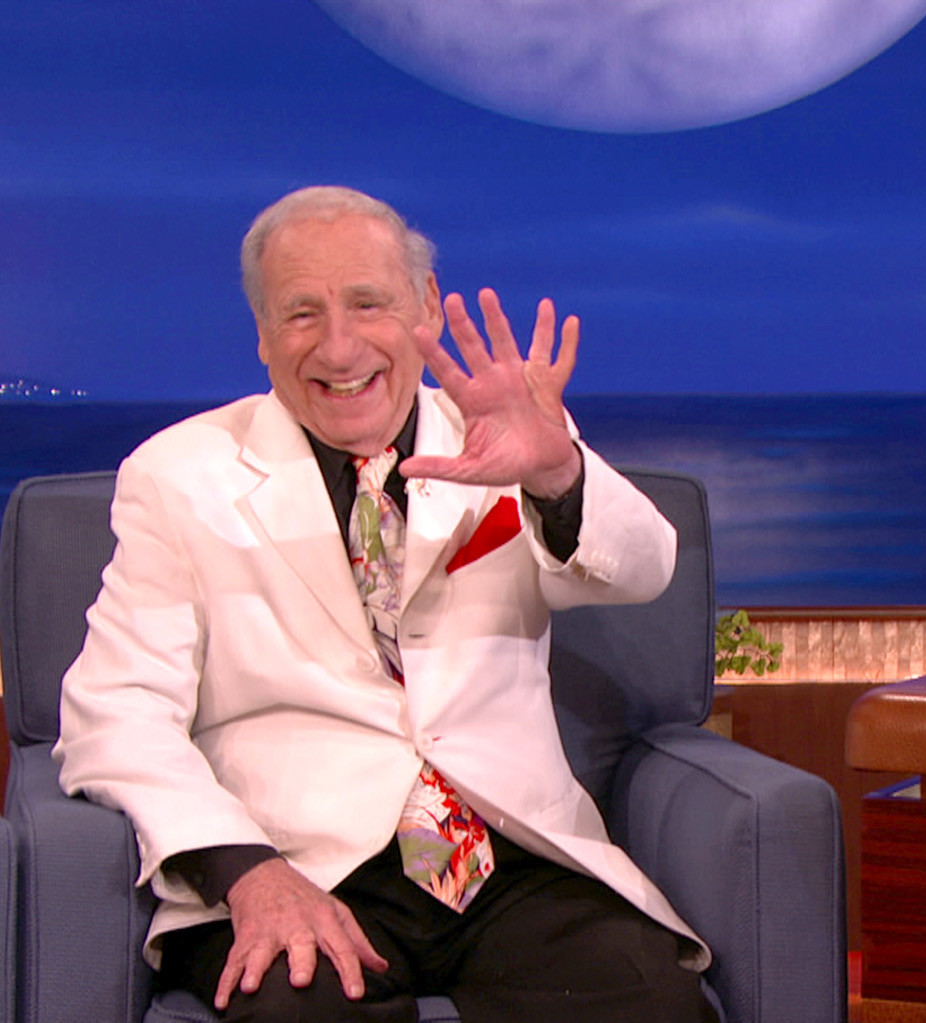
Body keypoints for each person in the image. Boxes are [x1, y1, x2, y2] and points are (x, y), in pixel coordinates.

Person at [54, 186, 718, 1021]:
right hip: (302, 864)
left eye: (368, 304)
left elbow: (645, 568)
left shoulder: (501, 433)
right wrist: (246, 871)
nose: (339, 348)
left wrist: (557, 472)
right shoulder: (179, 476)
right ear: (261, 333)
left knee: (651, 1001)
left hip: (507, 856)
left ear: (425, 307)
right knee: (294, 1010)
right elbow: (115, 711)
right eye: (301, 314)